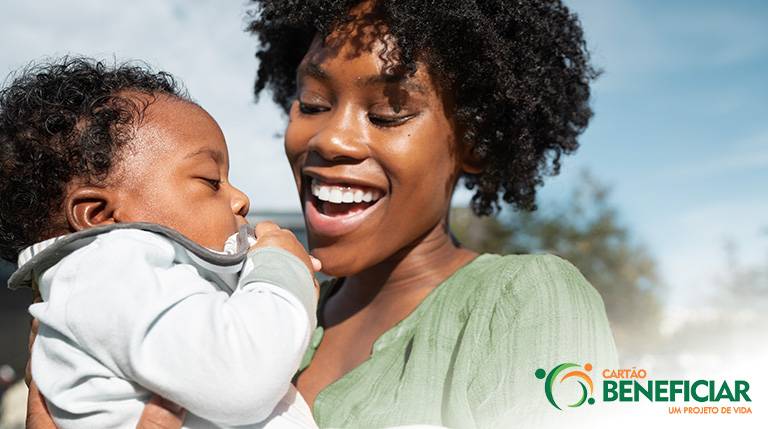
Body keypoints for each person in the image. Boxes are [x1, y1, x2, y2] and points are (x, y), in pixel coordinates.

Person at [27, 0, 619, 427]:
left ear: (476, 145)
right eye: (312, 103)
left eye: (388, 112)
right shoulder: (244, 307)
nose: (330, 138)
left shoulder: (525, 302)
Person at [1, 58, 320, 428]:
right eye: (211, 181)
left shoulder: (120, 286)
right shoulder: (104, 271)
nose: (241, 200)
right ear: (98, 216)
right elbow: (241, 379)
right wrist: (281, 269)